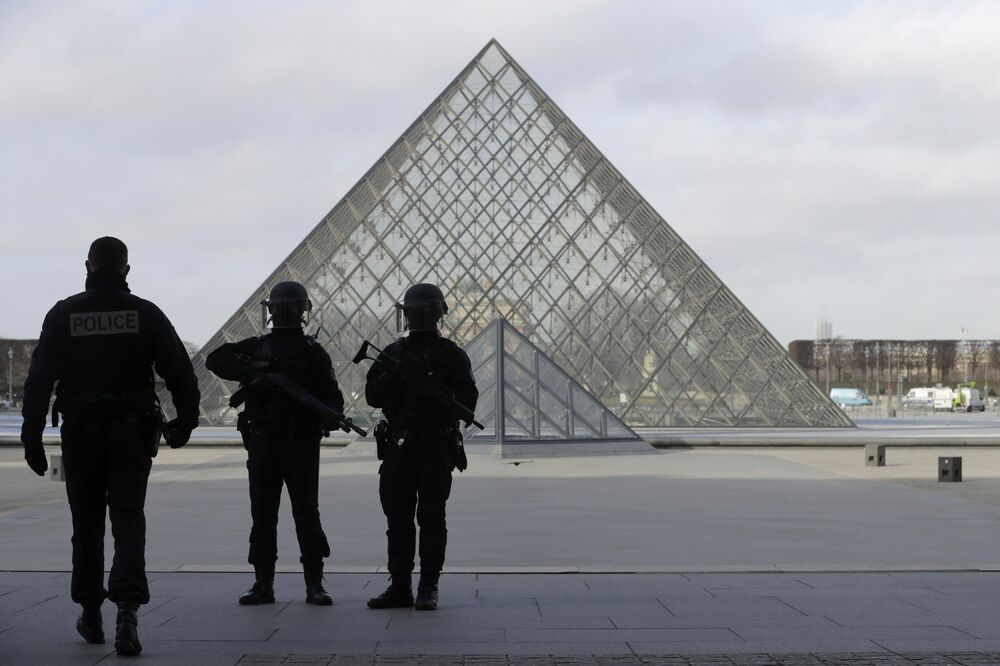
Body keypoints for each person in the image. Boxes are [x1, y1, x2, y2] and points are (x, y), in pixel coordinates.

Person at [20, 237, 200, 656]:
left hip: (81, 433)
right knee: (128, 521)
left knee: (86, 525)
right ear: (126, 271)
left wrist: (31, 436)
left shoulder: (64, 314)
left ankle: (91, 612)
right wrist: (184, 423)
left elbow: (39, 380)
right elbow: (180, 372)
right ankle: (127, 613)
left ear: (88, 266)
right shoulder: (145, 313)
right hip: (130, 433)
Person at [205, 281, 344, 606]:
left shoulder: (308, 352)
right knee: (273, 514)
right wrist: (256, 374)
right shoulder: (260, 348)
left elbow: (331, 397)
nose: (286, 313)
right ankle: (275, 583)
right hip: (270, 441)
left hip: (289, 441)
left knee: (295, 513)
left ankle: (296, 582)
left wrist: (331, 414)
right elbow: (216, 359)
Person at [364, 283, 478, 611]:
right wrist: (398, 379)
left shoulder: (451, 355)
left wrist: (435, 394)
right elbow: (373, 395)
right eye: (417, 312)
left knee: (430, 517)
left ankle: (428, 586)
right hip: (399, 445)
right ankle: (401, 586)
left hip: (434, 444)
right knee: (398, 518)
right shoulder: (392, 355)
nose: (420, 317)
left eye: (423, 312)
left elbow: (468, 405)